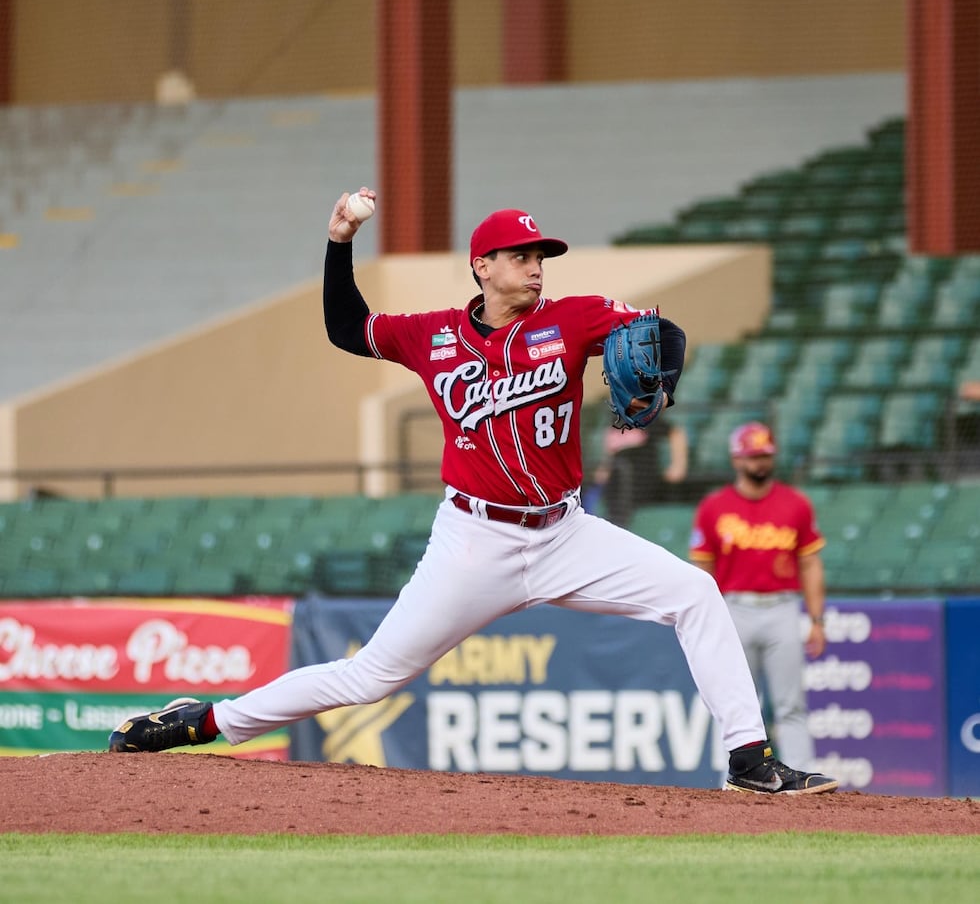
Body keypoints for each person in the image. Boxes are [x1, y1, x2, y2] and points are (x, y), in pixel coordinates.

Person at [108, 189, 837, 795]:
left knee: (694, 595)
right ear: (482, 266)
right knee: (369, 677)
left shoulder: (575, 318)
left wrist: (661, 371)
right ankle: (206, 722)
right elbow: (344, 327)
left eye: (541, 256)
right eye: (520, 256)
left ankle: (748, 760)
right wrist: (338, 241)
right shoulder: (431, 337)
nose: (535, 267)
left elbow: (659, 333)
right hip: (473, 540)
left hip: (564, 533)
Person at [689, 421, 827, 774]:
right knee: (733, 703)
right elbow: (701, 570)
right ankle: (732, 779)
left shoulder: (795, 504)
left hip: (782, 606)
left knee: (790, 704)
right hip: (734, 609)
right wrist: (709, 620)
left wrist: (816, 620)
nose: (760, 463)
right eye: (753, 456)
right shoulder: (714, 507)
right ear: (737, 459)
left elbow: (810, 564)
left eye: (765, 455)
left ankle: (801, 778)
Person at [589, 417, 688, 527]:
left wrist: (678, 465)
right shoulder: (614, 418)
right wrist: (604, 469)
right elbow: (612, 452)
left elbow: (675, 433)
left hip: (643, 484)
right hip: (616, 486)